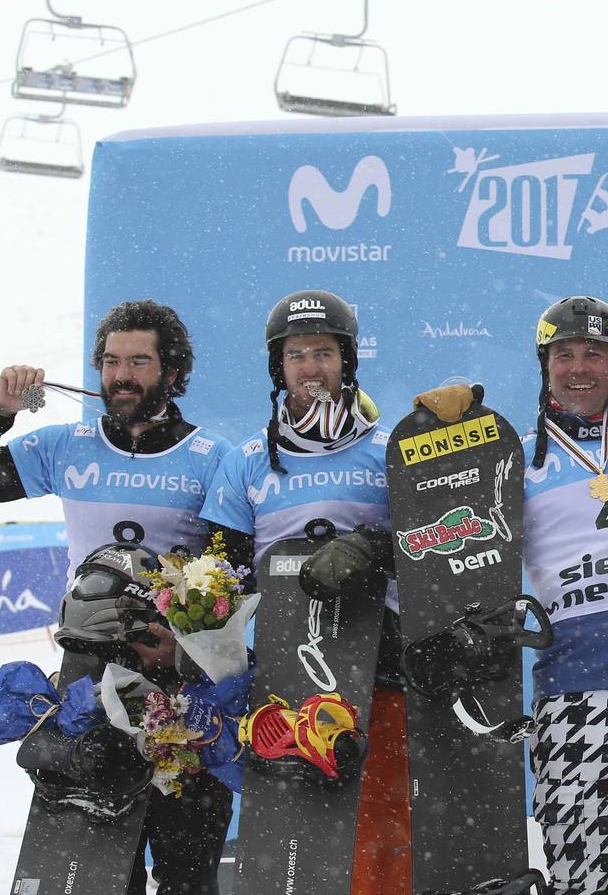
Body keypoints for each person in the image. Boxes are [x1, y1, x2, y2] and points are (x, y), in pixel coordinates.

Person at [0, 300, 235, 895]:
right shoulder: (63, 446)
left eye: (140, 361)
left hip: (184, 682)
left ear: (173, 372)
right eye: (111, 361)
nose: (121, 375)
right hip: (91, 682)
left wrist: (178, 642)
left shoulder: (214, 458)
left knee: (186, 870)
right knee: (97, 875)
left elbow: (234, 568)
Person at [418, 295, 608, 894]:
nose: (578, 368)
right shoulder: (511, 459)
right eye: (563, 354)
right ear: (544, 367)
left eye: (593, 353)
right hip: (574, 695)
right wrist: (438, 438)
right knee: (580, 882)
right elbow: (431, 522)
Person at [198, 289, 408, 895]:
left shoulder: (386, 449)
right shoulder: (246, 462)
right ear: (278, 367)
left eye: (324, 353)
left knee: (380, 822)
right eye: (297, 355)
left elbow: (428, 546)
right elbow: (221, 575)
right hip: (285, 676)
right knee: (287, 835)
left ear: (347, 362)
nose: (311, 368)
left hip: (380, 662)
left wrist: (373, 543)